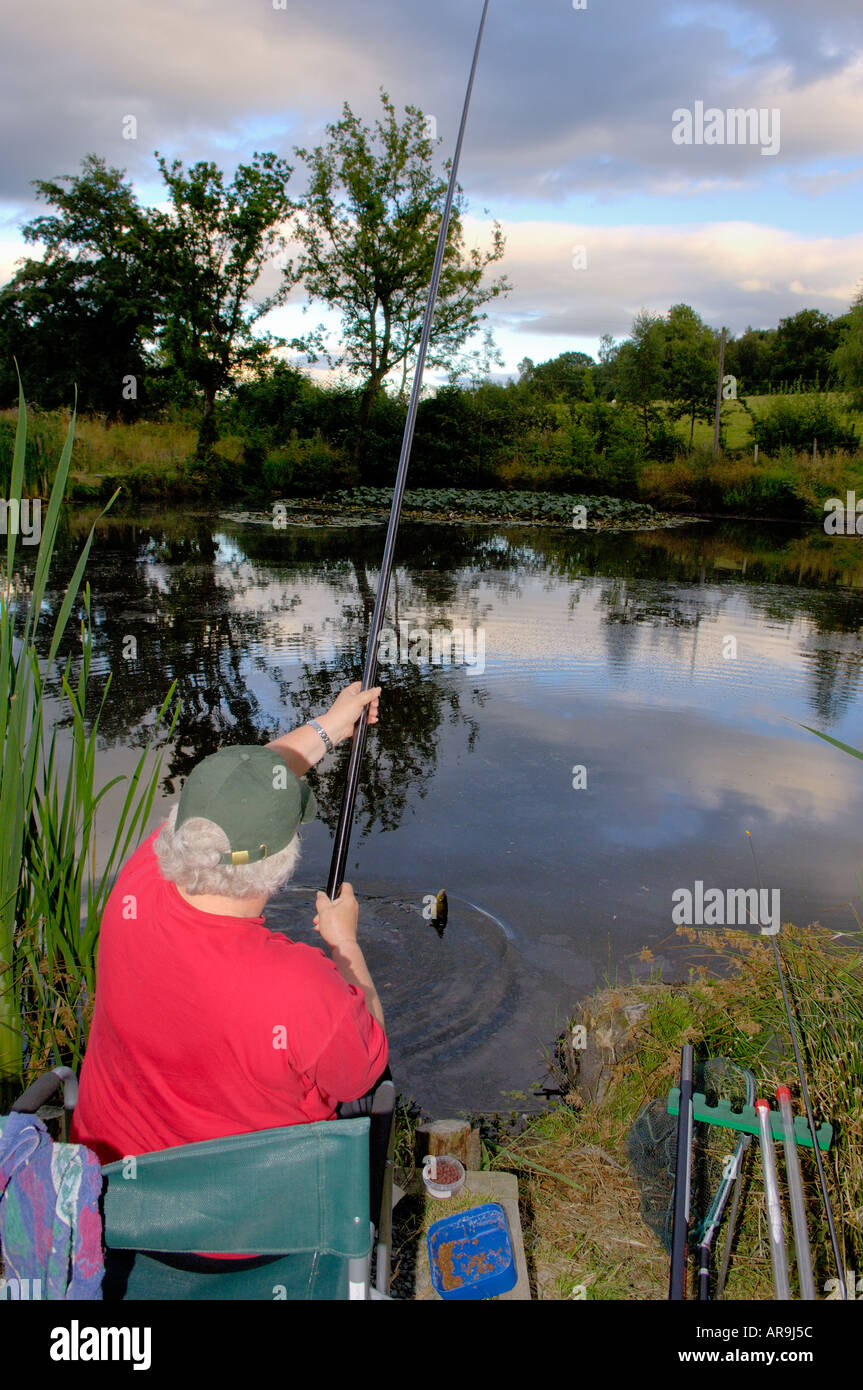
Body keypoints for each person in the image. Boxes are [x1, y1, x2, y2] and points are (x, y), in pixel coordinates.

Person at [70, 682, 387, 1168]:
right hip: (249, 1231)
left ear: (185, 825)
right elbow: (360, 1071)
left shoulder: (136, 884)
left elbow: (233, 789)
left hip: (110, 1190)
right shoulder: (301, 987)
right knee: (371, 1080)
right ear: (283, 864)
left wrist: (330, 726)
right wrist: (344, 943)